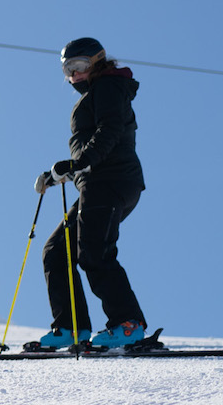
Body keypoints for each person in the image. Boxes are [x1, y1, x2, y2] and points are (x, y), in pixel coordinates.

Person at [31, 37, 149, 350]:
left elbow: (108, 131)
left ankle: (128, 324)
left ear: (97, 62)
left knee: (94, 252)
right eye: (68, 70)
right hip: (96, 184)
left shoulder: (109, 86)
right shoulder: (97, 92)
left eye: (80, 65)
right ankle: (71, 328)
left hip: (111, 181)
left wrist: (78, 163)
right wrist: (57, 175)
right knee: (56, 252)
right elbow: (91, 151)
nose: (74, 74)